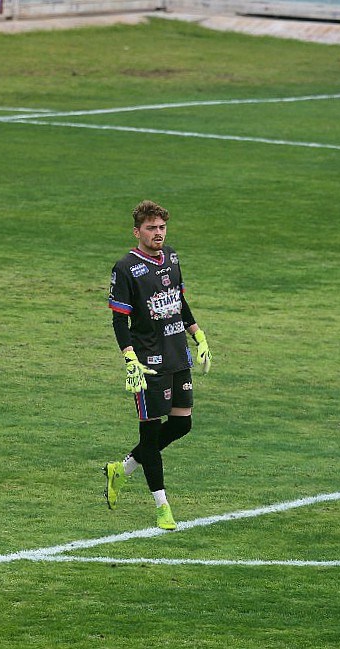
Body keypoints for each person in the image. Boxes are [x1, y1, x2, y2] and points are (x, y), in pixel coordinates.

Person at [104, 199, 211, 531]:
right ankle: (162, 506)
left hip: (177, 354)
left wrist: (198, 335)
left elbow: (179, 301)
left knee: (181, 424)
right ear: (137, 232)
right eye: (151, 228)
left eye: (162, 227)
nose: (158, 233)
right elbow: (119, 320)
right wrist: (129, 357)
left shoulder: (172, 258)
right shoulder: (125, 268)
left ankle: (122, 469)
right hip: (148, 362)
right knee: (150, 434)